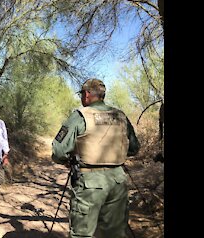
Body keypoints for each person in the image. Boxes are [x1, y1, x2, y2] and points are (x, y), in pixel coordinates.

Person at [51, 78, 140, 238]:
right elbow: (134, 148)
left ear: (86, 94)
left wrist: (67, 161)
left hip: (89, 183)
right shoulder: (120, 116)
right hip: (118, 180)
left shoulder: (79, 116)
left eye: (81, 94)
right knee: (116, 233)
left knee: (83, 234)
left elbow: (58, 151)